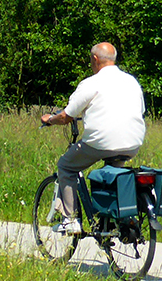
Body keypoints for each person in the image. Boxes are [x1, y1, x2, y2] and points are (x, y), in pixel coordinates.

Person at [40, 42, 147, 234]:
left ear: (95, 59)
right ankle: (113, 222)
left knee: (66, 166)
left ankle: (70, 219)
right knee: (113, 176)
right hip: (132, 142)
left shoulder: (91, 83)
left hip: (102, 143)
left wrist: (50, 120)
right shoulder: (132, 81)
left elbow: (66, 116)